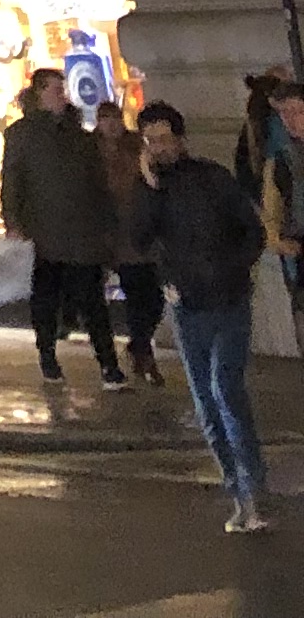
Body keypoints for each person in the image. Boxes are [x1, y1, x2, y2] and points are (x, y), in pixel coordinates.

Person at [139, 102, 271, 531]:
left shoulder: (212, 178)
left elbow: (252, 232)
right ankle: (238, 490)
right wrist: (149, 189)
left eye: (163, 138)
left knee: (225, 388)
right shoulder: (152, 188)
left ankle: (253, 488)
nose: (158, 148)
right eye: (150, 140)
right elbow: (138, 238)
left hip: (229, 300)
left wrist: (230, 268)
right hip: (188, 307)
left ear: (180, 138)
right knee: (206, 404)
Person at [3, 64, 128, 388]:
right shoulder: (23, 135)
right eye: (56, 90)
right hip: (45, 235)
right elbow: (12, 182)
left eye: (63, 90)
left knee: (92, 303)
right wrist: (15, 222)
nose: (63, 96)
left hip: (82, 234)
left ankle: (108, 365)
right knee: (47, 300)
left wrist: (106, 225)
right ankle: (49, 356)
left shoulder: (79, 136)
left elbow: (97, 183)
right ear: (40, 93)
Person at [93, 98, 164, 384]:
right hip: (119, 238)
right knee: (137, 295)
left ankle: (139, 344)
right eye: (106, 119)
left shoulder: (136, 146)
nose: (112, 125)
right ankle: (143, 352)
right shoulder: (93, 151)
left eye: (115, 118)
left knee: (155, 296)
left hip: (144, 232)